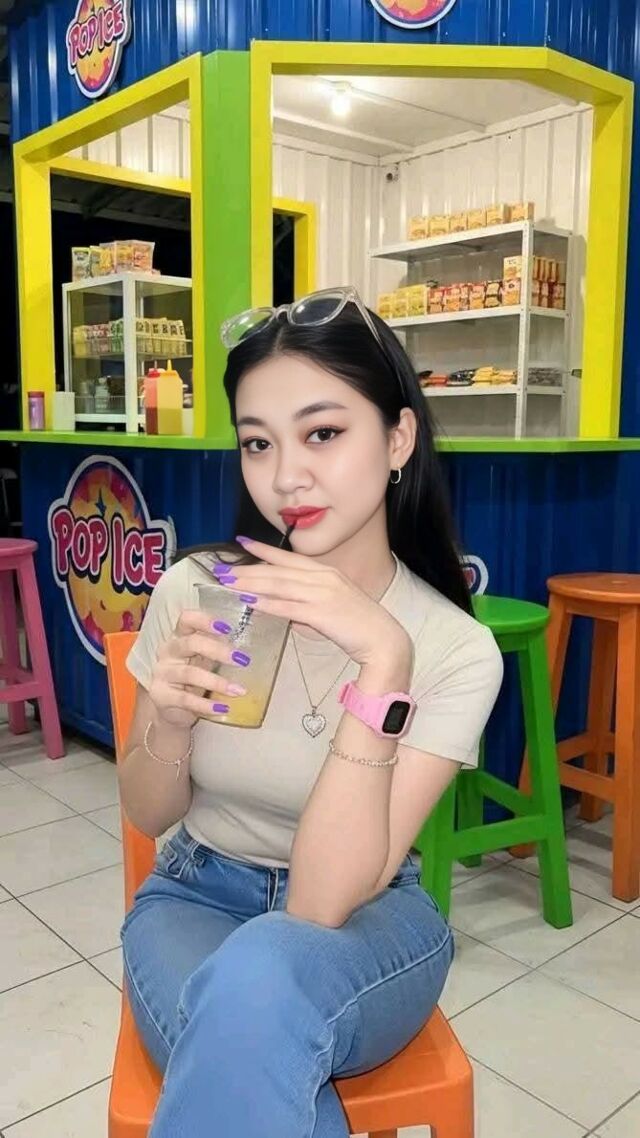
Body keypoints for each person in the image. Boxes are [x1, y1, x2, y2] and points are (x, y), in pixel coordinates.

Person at [119, 287, 503, 1138]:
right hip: (194, 898)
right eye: (258, 442)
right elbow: (147, 813)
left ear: (397, 438)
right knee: (255, 1057)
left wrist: (384, 661)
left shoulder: (452, 649)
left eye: (322, 433)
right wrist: (171, 721)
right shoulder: (200, 592)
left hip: (370, 922)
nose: (285, 476)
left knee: (254, 995)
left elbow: (325, 900)